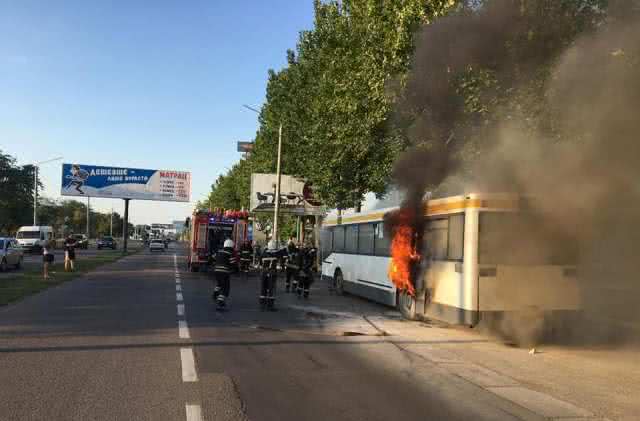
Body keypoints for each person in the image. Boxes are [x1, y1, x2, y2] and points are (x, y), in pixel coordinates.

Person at [259, 240, 286, 310]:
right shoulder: (276, 253)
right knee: (271, 288)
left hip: (264, 272)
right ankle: (270, 306)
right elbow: (283, 253)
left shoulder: (264, 253)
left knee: (263, 288)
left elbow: (260, 262)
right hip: (272, 273)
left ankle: (262, 304)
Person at [212, 239, 238, 309]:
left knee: (220, 283)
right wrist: (236, 270)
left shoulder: (219, 251)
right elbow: (233, 263)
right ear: (231, 246)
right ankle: (220, 302)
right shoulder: (230, 253)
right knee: (225, 287)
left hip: (216, 271)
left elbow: (213, 257)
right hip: (224, 272)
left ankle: (215, 293)